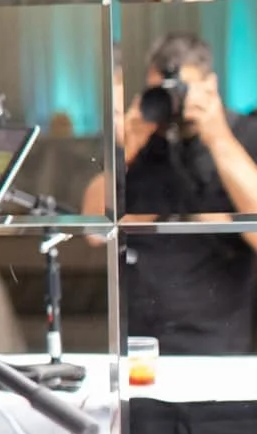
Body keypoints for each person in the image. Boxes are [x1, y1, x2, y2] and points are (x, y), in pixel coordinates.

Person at [83, 32, 257, 354]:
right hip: (140, 341)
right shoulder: (141, 141)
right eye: (161, 91)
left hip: (218, 342)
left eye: (182, 90)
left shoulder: (244, 136)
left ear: (211, 86)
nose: (174, 102)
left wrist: (218, 137)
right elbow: (92, 228)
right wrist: (125, 151)